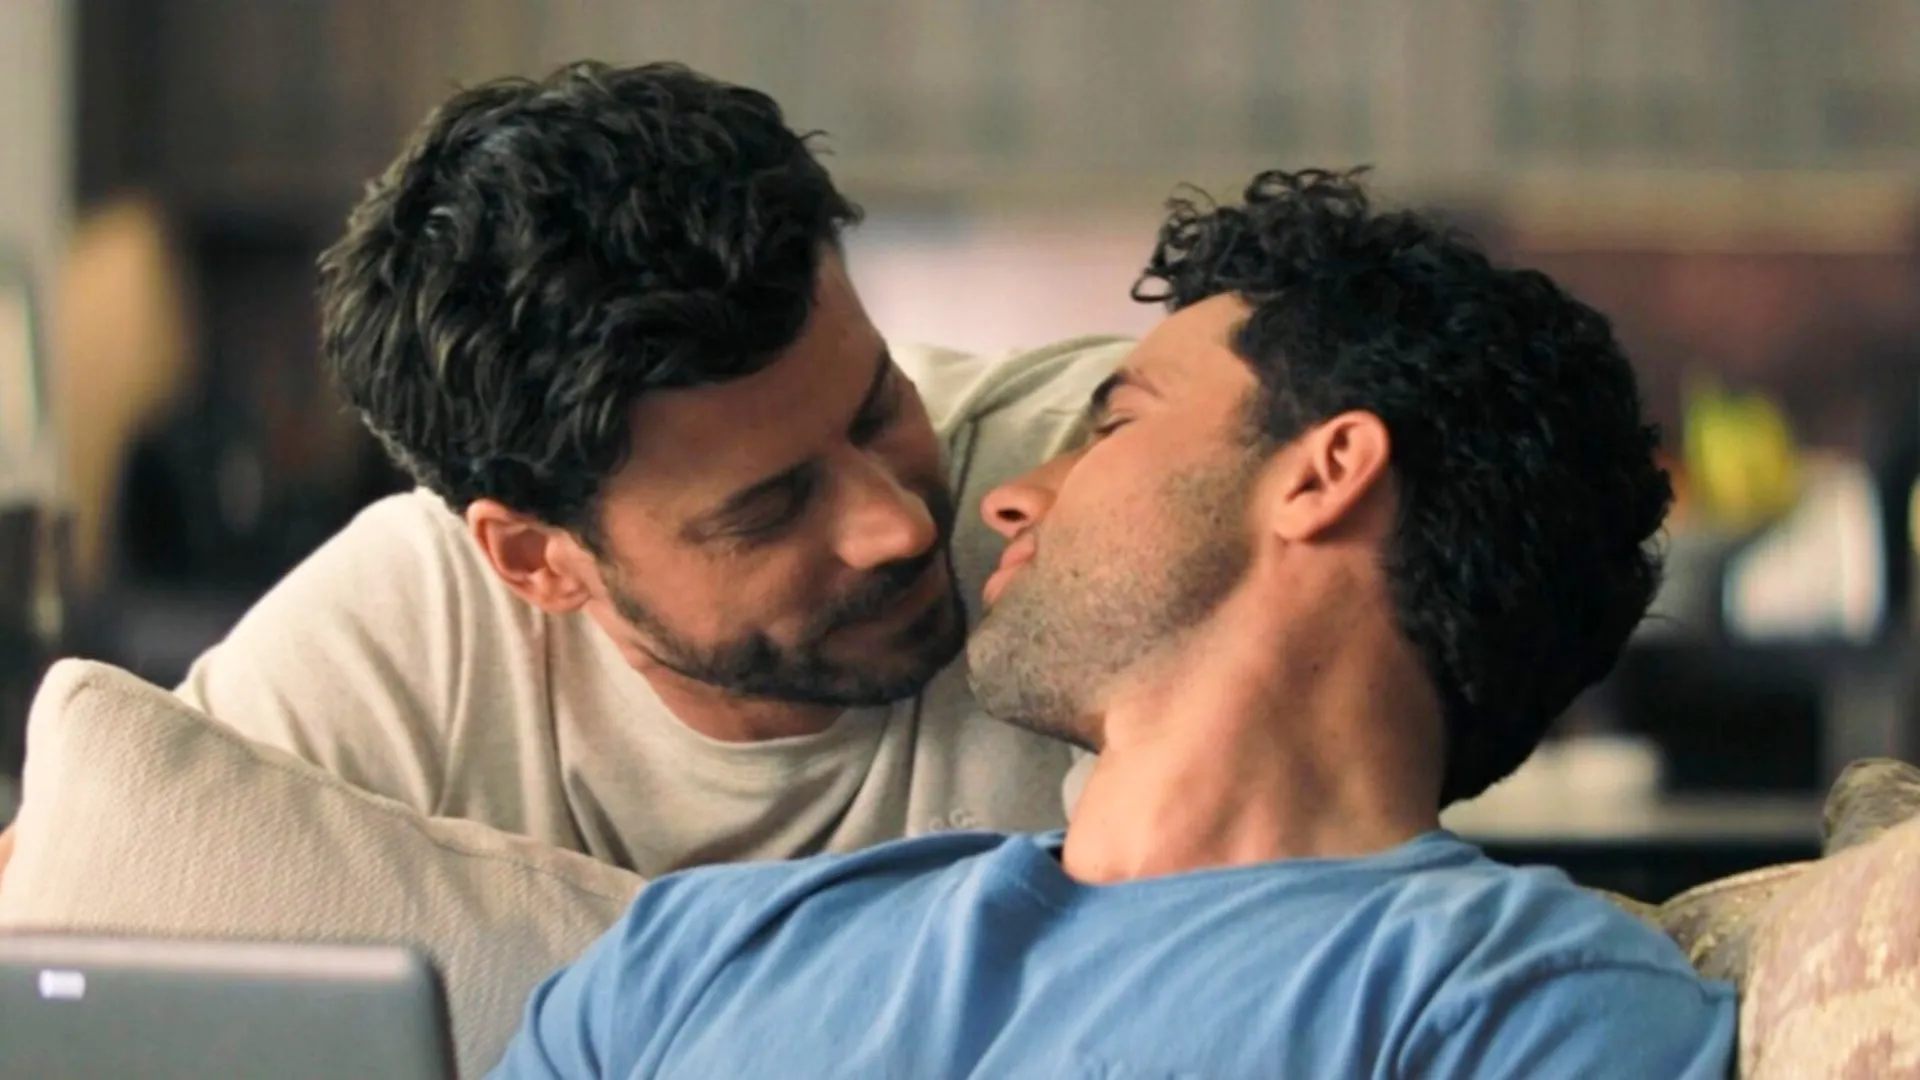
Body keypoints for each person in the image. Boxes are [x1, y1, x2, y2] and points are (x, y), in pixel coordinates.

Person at [487, 169, 1736, 1079]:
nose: (1012, 497)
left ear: (1322, 473)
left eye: (1119, 422)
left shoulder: (1520, 1007)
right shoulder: (690, 957)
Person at [0, 60, 1122, 883]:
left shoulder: (1094, 472)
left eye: (879, 408)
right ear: (535, 559)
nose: (897, 525)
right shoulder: (417, 625)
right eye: (771, 507)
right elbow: (64, 902)